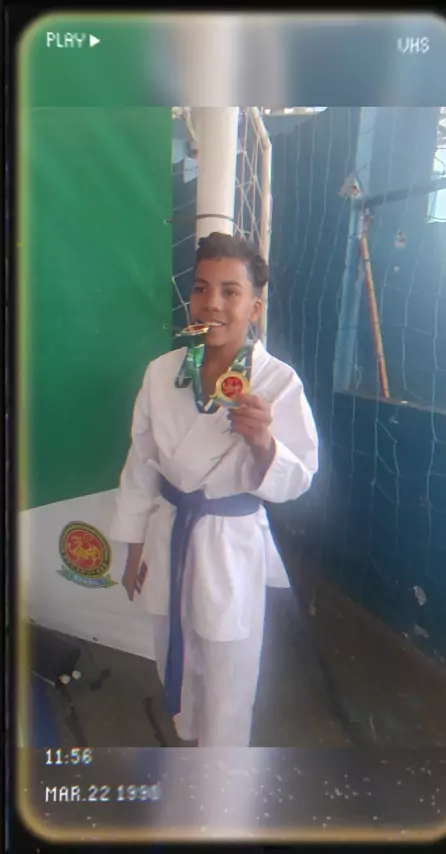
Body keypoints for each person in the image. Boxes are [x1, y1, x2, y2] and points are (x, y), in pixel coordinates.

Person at [110, 232, 319, 747]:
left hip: (230, 545)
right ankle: (185, 741)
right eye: (202, 288)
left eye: (230, 291)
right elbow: (141, 464)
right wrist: (133, 547)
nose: (213, 304)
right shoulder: (162, 374)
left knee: (228, 670)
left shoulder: (277, 382)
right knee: (172, 649)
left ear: (255, 307)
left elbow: (300, 478)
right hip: (169, 533)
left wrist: (265, 444)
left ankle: (223, 771)